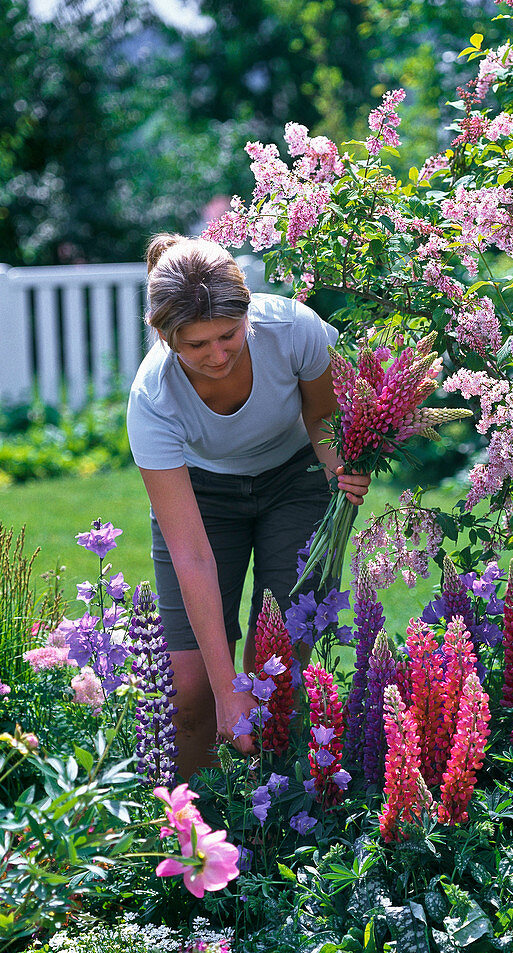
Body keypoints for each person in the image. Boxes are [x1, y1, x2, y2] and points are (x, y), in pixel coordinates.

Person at [126, 234, 370, 777]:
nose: (216, 354)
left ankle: (274, 822)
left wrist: (336, 464)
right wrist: (223, 689)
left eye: (228, 335)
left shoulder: (293, 329)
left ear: (248, 313)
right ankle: (188, 827)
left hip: (295, 480)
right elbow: (192, 557)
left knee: (276, 666)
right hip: (204, 493)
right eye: (196, 344)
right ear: (165, 337)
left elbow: (323, 417)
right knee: (188, 686)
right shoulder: (153, 398)